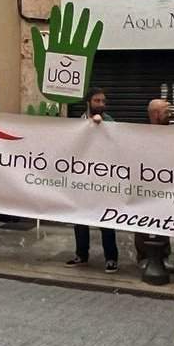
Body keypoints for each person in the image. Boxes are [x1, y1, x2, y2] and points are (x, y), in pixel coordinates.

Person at [67, 88, 119, 273]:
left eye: (103, 101)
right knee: (80, 219)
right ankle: (81, 254)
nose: (101, 104)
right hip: (82, 178)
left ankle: (111, 258)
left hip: (103, 179)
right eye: (97, 101)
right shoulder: (78, 123)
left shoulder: (110, 121)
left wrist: (101, 125)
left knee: (106, 220)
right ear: (88, 102)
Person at [133, 99, 174, 272]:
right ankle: (144, 257)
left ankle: (163, 257)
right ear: (156, 114)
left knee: (164, 222)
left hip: (165, 186)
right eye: (167, 111)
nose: (170, 114)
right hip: (145, 185)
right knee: (142, 222)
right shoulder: (140, 134)